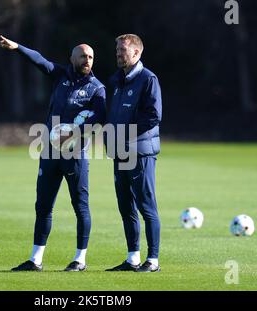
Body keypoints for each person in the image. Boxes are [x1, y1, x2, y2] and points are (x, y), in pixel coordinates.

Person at [0, 35, 106, 272]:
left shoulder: (97, 89)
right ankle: (35, 259)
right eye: (82, 56)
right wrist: (17, 47)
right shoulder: (61, 76)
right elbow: (40, 61)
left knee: (80, 206)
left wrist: (75, 133)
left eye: (90, 57)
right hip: (49, 152)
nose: (87, 60)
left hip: (75, 155)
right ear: (72, 58)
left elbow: (99, 117)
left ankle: (80, 259)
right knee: (43, 206)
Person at [105, 34, 162, 272]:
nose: (118, 53)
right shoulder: (115, 80)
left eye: (123, 50)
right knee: (125, 206)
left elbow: (153, 116)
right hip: (120, 152)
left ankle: (153, 260)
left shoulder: (149, 79)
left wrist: (123, 133)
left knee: (146, 206)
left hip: (140, 152)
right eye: (117, 49)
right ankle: (133, 258)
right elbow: (108, 114)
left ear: (136, 53)